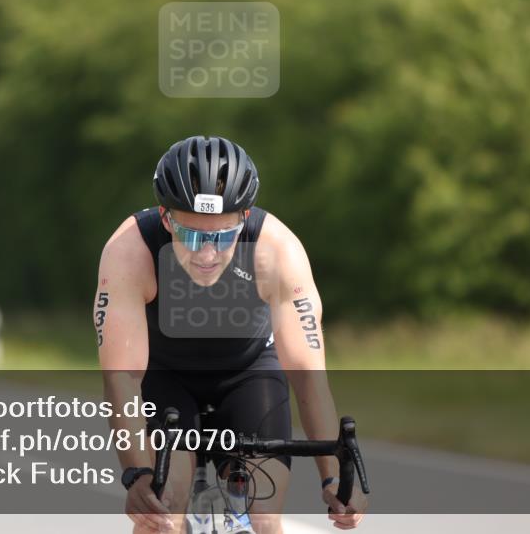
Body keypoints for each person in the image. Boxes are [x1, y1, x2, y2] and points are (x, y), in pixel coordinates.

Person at [95, 136, 364, 533]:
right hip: (164, 375)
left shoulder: (277, 250)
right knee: (164, 507)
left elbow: (309, 378)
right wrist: (136, 474)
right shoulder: (129, 250)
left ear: (245, 217)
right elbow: (123, 378)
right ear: (166, 218)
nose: (206, 255)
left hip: (250, 372)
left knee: (264, 515)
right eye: (190, 236)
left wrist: (333, 480)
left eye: (222, 237)